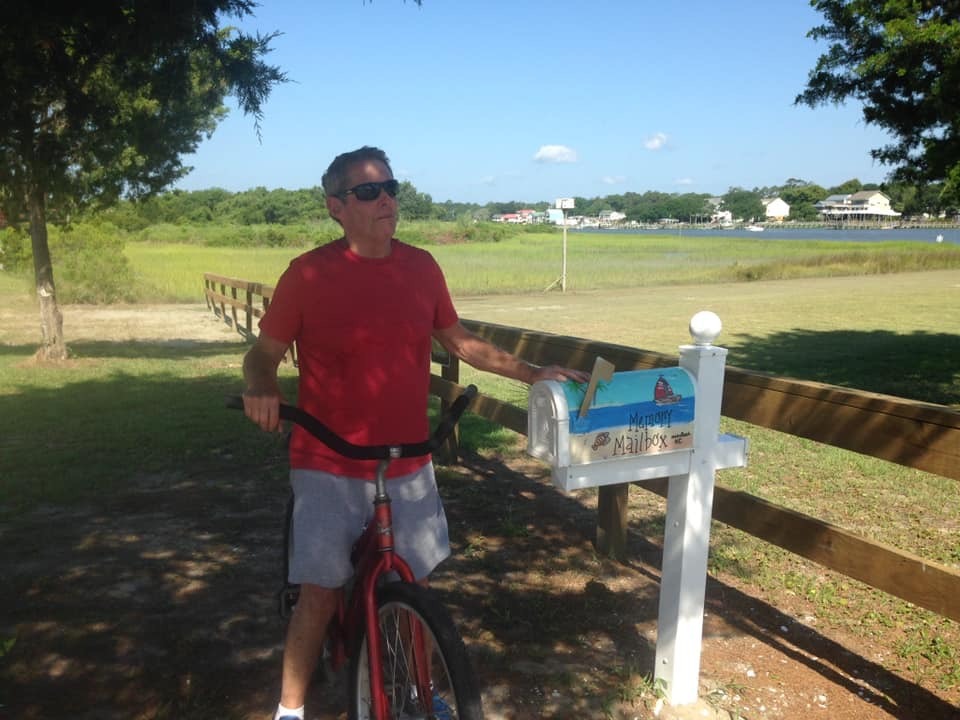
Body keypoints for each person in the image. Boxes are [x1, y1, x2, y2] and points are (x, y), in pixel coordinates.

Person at [241, 146, 589, 720]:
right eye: (368, 192)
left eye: (391, 188)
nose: (386, 200)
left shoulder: (422, 266)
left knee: (417, 587)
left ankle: (420, 692)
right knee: (321, 593)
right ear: (336, 207)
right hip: (328, 459)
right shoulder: (307, 274)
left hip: (407, 462)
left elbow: (461, 342)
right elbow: (264, 354)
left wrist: (532, 373)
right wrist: (262, 387)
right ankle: (290, 710)